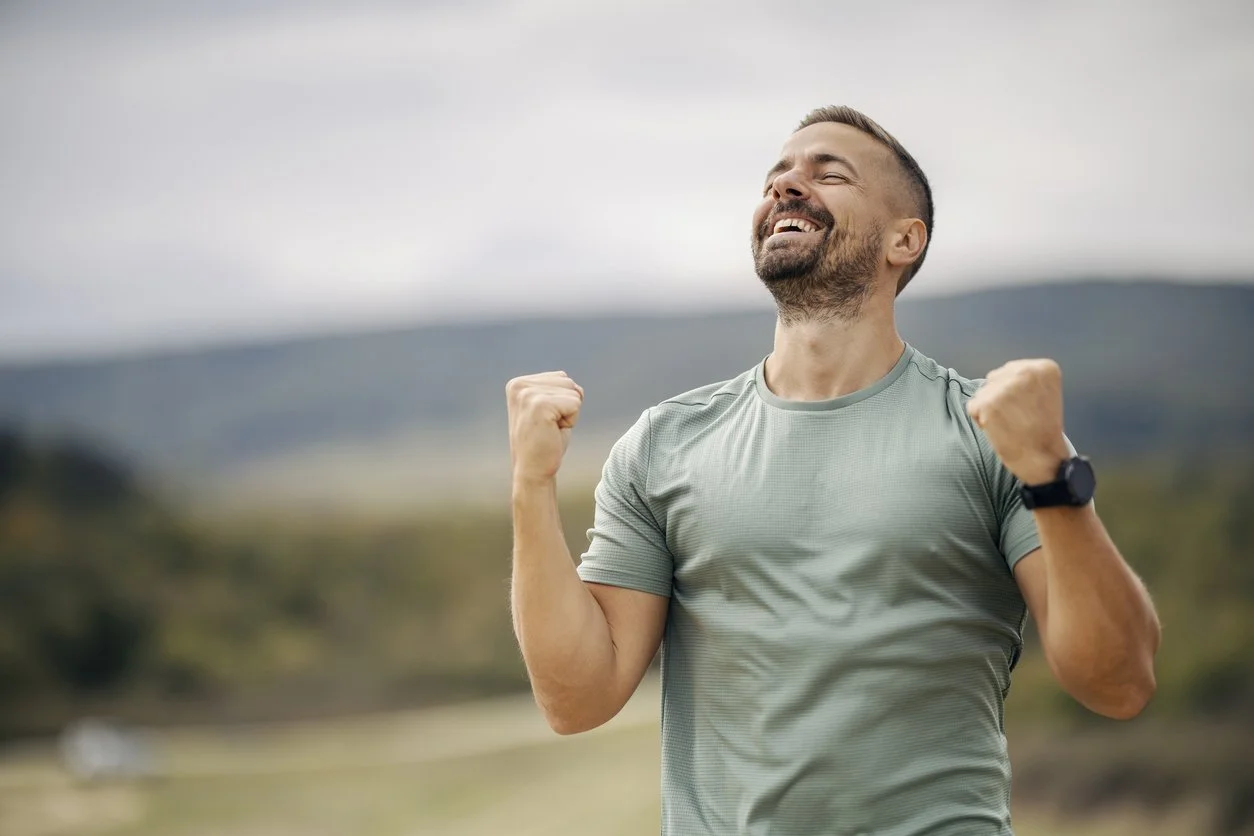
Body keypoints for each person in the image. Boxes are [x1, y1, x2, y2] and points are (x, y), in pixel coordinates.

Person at [505, 105, 1161, 836]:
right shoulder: (665, 445)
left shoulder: (996, 434)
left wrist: (1051, 470)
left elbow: (1120, 684)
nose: (787, 187)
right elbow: (576, 701)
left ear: (903, 240)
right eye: (776, 177)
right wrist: (530, 487)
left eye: (828, 173)